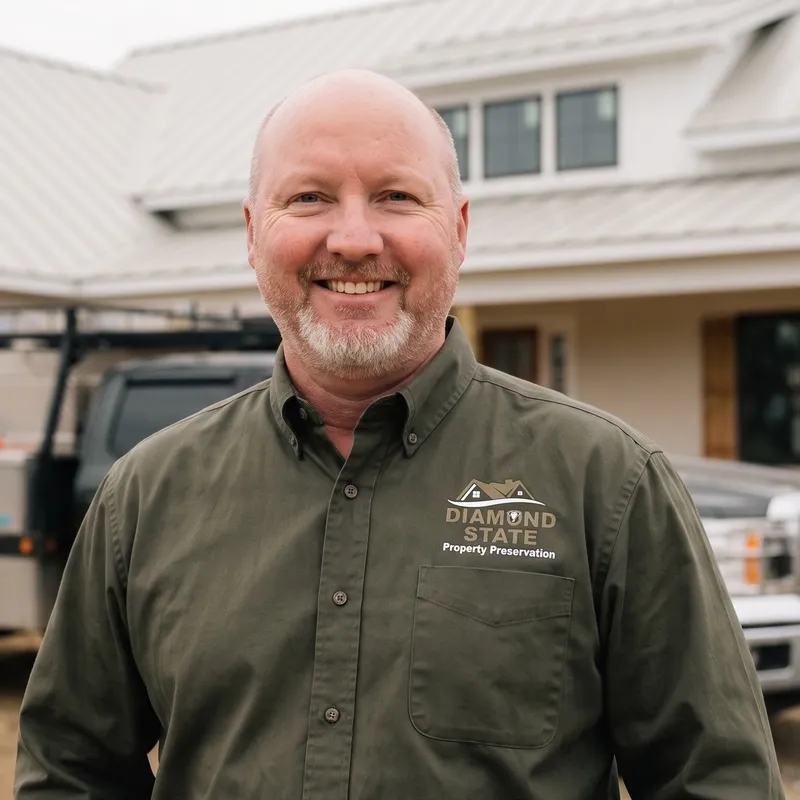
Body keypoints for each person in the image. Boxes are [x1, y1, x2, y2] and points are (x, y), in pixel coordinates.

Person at [15, 69, 783, 799]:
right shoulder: (147, 496)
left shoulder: (609, 487)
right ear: (253, 233)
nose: (353, 239)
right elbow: (71, 771)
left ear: (457, 229)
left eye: (395, 196)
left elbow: (714, 780)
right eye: (310, 196)